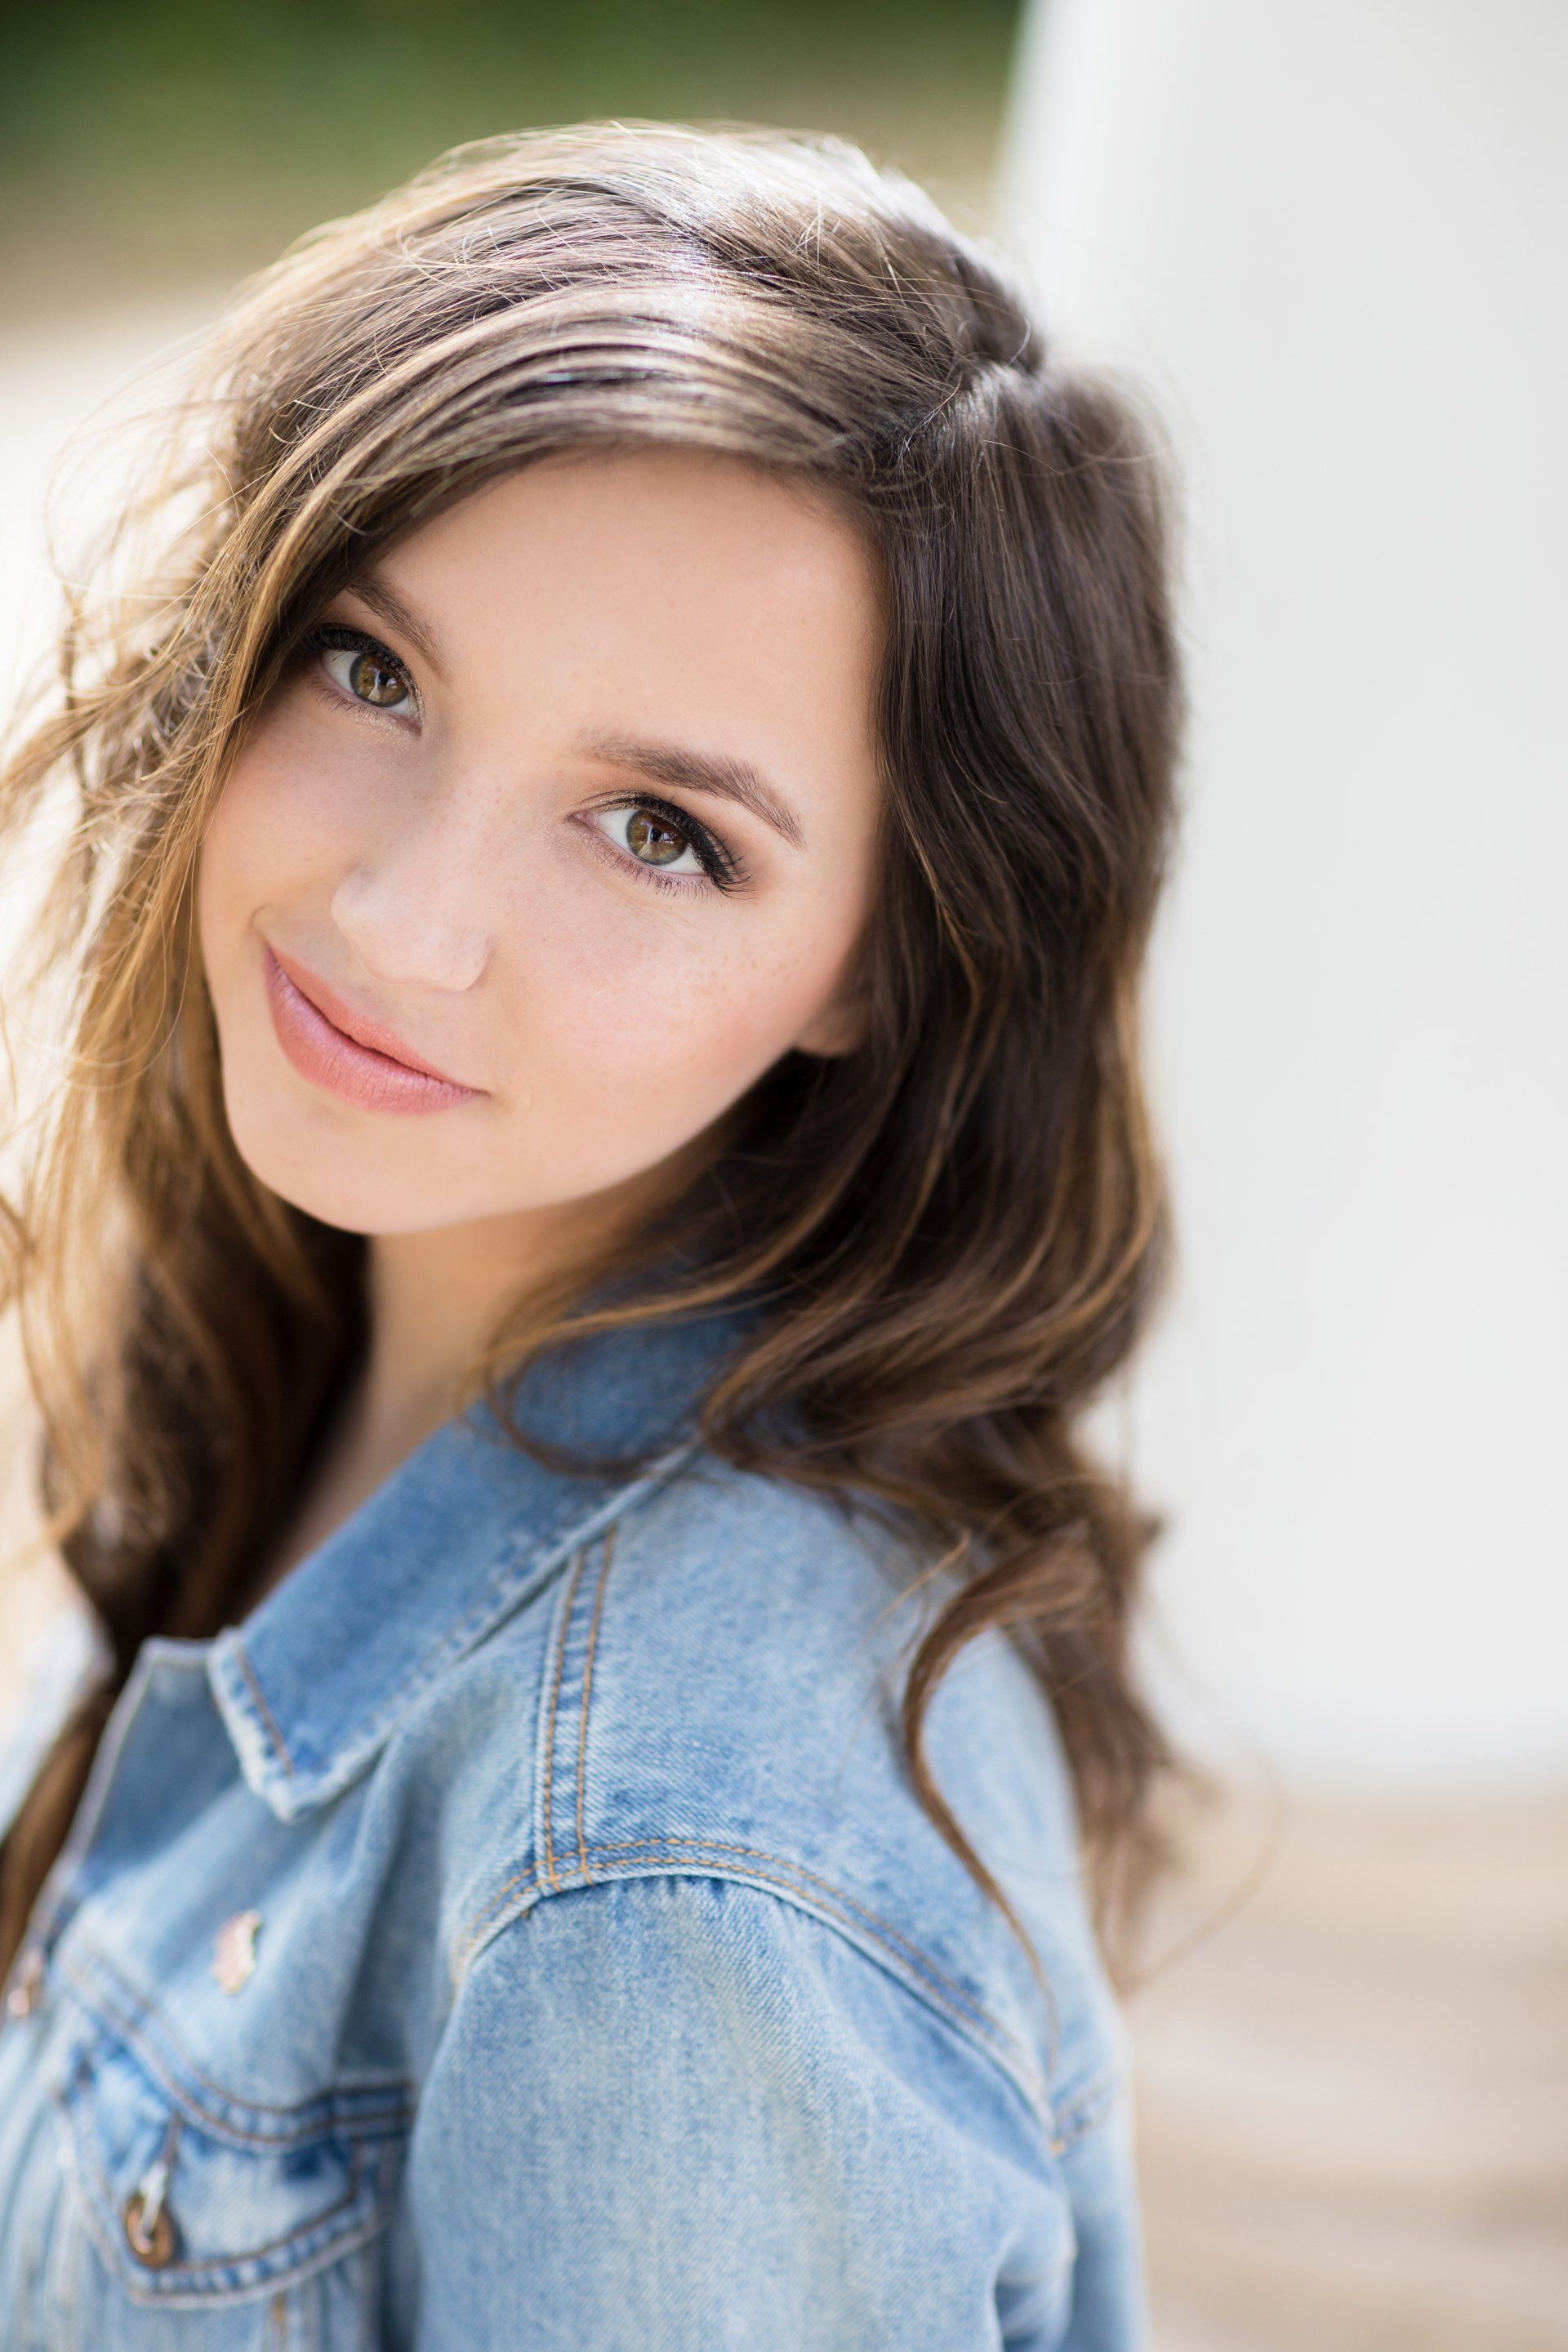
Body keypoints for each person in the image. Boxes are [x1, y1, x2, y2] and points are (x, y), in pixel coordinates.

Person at [0, 120, 1187, 2349]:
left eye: (661, 832)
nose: (399, 920)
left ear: (881, 962)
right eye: (372, 670)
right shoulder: (341, 1318)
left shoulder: (658, 1883)